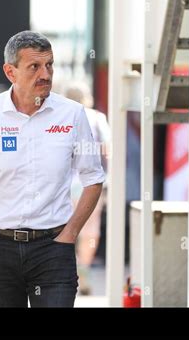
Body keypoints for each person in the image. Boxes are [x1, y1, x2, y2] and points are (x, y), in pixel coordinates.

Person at [0, 31, 105, 307]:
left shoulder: (72, 115)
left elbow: (93, 179)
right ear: (11, 72)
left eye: (50, 65)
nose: (45, 74)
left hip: (54, 248)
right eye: (35, 67)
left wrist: (70, 234)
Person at [65, 84, 110, 295]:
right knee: (90, 229)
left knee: (62, 228)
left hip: (64, 184)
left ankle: (68, 269)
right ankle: (83, 269)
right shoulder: (97, 118)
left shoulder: (61, 117)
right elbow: (108, 149)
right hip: (90, 183)